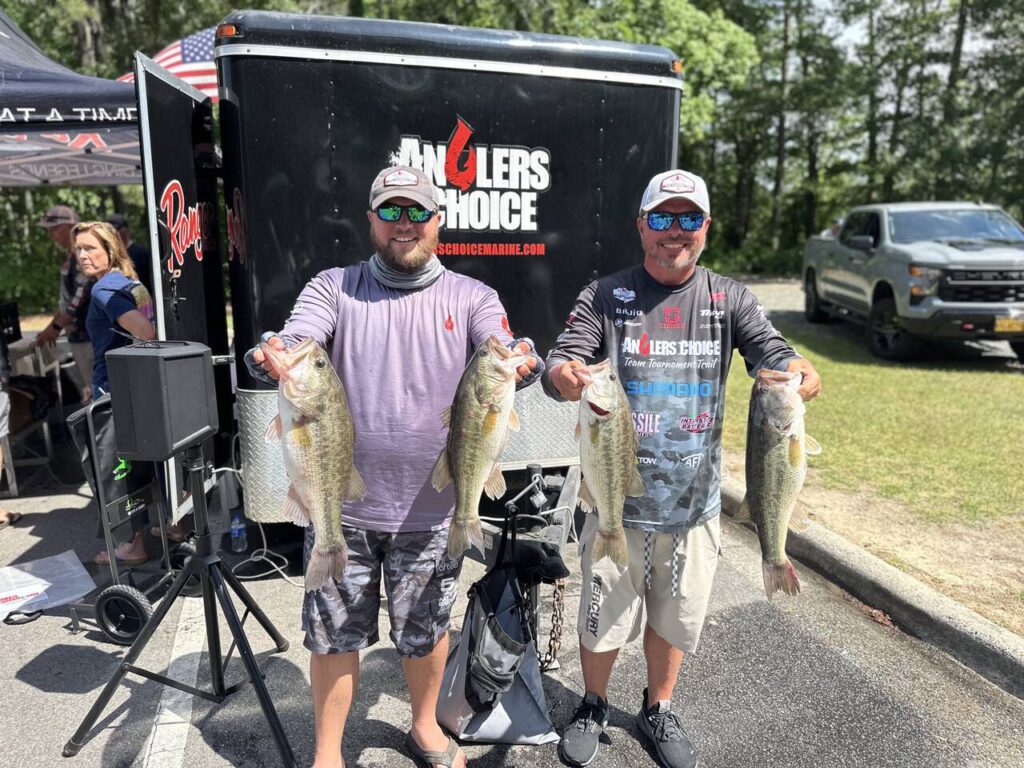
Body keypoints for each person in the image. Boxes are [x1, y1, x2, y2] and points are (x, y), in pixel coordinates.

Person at [246, 165, 541, 768]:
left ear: (437, 221)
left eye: (415, 212)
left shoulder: (472, 296)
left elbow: (502, 341)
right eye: (390, 211)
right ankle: (328, 753)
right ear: (371, 221)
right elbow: (299, 338)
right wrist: (272, 351)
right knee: (333, 637)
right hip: (343, 508)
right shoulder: (334, 287)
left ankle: (425, 726)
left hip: (433, 510)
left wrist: (520, 355)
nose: (403, 224)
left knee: (425, 632)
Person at [542, 169, 821, 768]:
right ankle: (593, 703)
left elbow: (772, 351)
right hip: (614, 499)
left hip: (693, 504)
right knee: (603, 616)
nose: (676, 231)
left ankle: (658, 707)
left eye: (688, 218)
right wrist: (565, 375)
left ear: (706, 227)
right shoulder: (605, 295)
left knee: (674, 617)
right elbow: (564, 359)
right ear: (642, 226)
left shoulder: (729, 298)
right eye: (663, 218)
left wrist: (798, 369)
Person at [73, 221, 157, 566]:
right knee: (144, 465)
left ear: (110, 249)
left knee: (116, 473)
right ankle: (172, 527)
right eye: (78, 249)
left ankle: (132, 546)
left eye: (90, 248)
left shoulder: (103, 289)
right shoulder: (129, 281)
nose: (82, 255)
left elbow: (145, 332)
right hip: (133, 387)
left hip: (114, 393)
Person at [34, 205, 94, 401]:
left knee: (98, 394)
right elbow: (67, 301)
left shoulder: (82, 255)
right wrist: (50, 327)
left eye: (54, 229)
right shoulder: (72, 256)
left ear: (70, 227)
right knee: (90, 390)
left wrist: (56, 327)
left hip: (88, 336)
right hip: (79, 336)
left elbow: (80, 296)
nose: (51, 235)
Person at [106, 213, 155, 297]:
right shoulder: (108, 255)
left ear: (126, 230)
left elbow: (151, 279)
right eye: (110, 232)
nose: (114, 234)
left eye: (117, 229)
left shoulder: (142, 253)